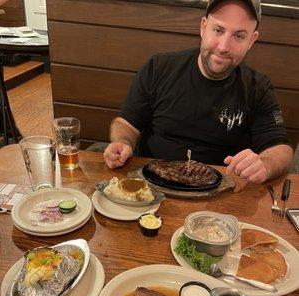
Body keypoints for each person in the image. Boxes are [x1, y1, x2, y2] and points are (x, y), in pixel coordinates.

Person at [103, 0, 293, 183]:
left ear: (252, 40)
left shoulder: (257, 87)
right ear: (203, 27)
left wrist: (264, 165)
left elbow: (281, 150)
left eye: (239, 36)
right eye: (218, 30)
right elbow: (126, 124)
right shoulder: (159, 68)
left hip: (218, 195)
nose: (223, 46)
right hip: (150, 185)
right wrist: (123, 143)